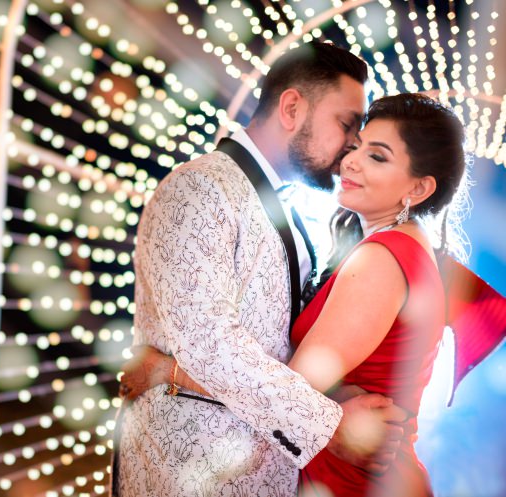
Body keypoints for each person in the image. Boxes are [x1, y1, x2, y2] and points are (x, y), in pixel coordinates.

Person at [123, 93, 468, 496]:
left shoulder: (381, 257)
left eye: (378, 157)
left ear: (420, 187)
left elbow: (293, 393)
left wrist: (167, 371)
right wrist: (338, 399)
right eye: (355, 147)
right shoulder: (410, 247)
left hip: (354, 478)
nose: (351, 161)